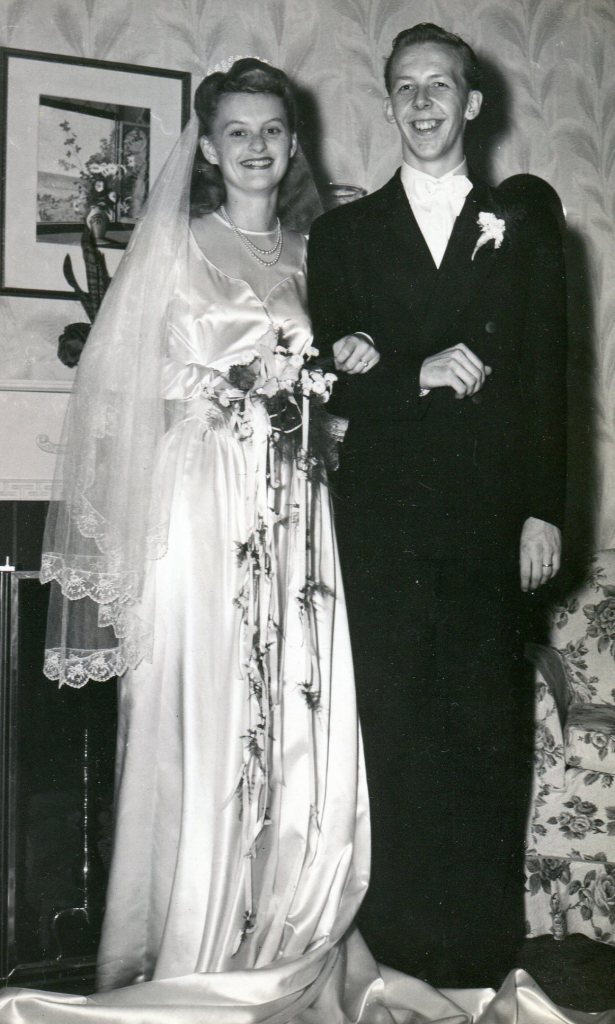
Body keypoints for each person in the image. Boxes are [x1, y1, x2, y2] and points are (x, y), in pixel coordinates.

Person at [307, 23, 568, 989]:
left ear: (472, 103)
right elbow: (324, 379)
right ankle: (396, 963)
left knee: (487, 734)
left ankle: (478, 961)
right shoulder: (340, 236)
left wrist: (543, 510)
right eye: (405, 87)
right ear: (389, 104)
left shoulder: (521, 226)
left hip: (491, 519)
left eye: (440, 85)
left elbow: (548, 374)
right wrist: (411, 372)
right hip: (382, 519)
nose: (422, 103)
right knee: (395, 730)